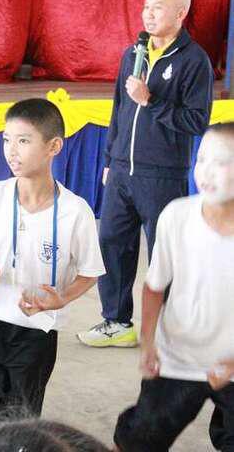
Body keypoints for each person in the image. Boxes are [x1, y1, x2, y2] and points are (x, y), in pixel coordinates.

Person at [78, 0, 214, 348]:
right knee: (111, 243)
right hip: (122, 171)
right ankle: (116, 322)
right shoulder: (132, 54)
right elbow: (119, 111)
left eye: (158, 8)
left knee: (164, 252)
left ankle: (170, 329)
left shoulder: (194, 61)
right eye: (146, 7)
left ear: (180, 14)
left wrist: (151, 101)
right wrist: (111, 160)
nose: (148, 14)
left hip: (162, 174)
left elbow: (196, 121)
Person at [0, 99, 105, 425]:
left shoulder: (75, 211)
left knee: (22, 418)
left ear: (54, 146)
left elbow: (90, 273)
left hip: (36, 329)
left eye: (23, 141)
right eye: (6, 140)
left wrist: (62, 298)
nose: (11, 151)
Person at [113, 122, 234, 451]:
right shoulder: (177, 216)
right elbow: (154, 286)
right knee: (140, 438)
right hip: (178, 356)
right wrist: (148, 343)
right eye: (202, 159)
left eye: (222, 162)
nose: (206, 171)